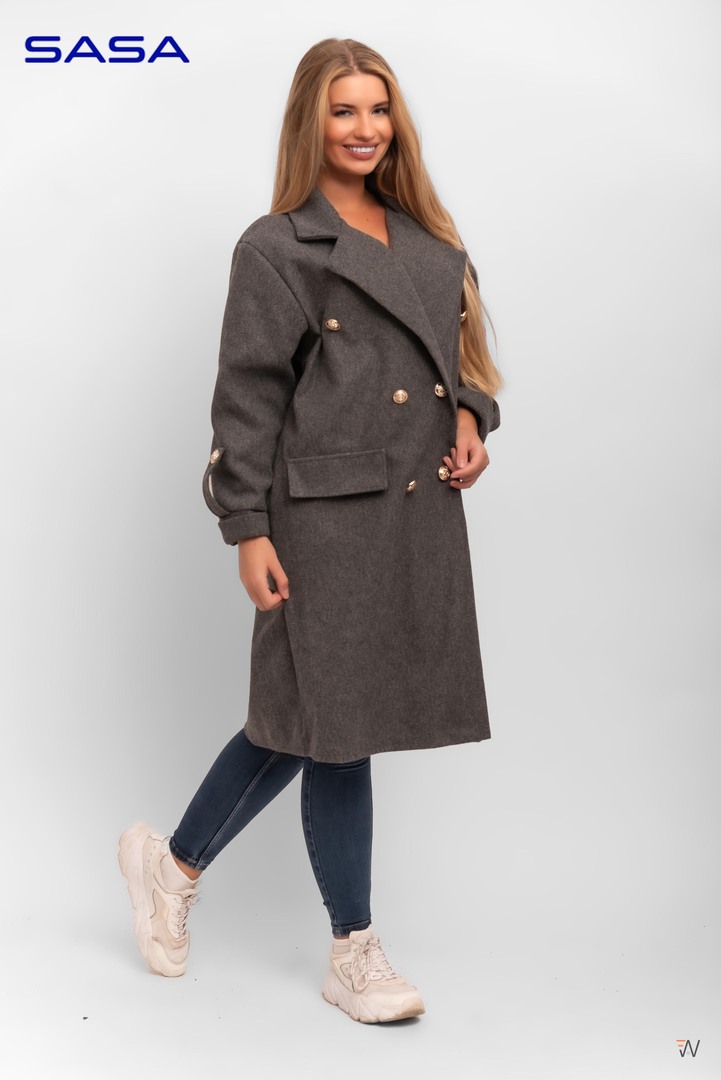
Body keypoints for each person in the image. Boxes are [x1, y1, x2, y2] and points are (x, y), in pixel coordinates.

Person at [119, 37, 502, 1025]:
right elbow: (246, 397)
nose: (364, 128)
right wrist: (246, 525)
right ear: (310, 123)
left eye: (378, 109)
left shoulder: (428, 240)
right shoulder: (277, 247)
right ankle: (352, 949)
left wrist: (470, 419)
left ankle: (172, 864)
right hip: (322, 517)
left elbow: (462, 357)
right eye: (343, 110)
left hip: (414, 511)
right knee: (336, 732)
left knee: (303, 720)